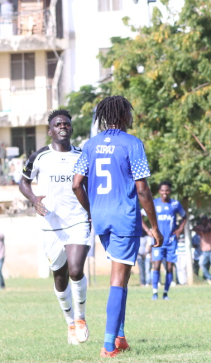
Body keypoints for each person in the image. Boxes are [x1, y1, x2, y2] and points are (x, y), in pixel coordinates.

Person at [72, 95, 163, 357]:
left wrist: (93, 211)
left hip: (102, 220)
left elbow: (76, 184)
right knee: (118, 277)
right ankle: (109, 345)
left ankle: (120, 336)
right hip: (124, 218)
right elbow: (143, 189)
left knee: (122, 275)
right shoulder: (132, 144)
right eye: (130, 113)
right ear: (122, 115)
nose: (132, 118)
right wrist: (154, 226)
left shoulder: (90, 144)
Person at [19, 109, 92, 345]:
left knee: (75, 269)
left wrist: (93, 211)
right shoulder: (38, 157)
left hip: (78, 219)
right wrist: (33, 199)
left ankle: (80, 319)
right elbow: (23, 182)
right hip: (50, 223)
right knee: (59, 276)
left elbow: (90, 184)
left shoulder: (82, 155)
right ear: (50, 131)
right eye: (58, 124)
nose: (63, 126)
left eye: (66, 124)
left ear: (71, 128)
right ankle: (70, 322)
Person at [141, 181, 186, 300]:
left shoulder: (175, 204)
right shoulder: (154, 203)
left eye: (167, 190)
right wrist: (147, 231)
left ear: (170, 191)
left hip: (171, 240)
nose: (165, 192)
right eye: (162, 190)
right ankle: (155, 292)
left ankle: (165, 293)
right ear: (159, 191)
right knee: (156, 265)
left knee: (170, 267)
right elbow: (140, 216)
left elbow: (184, 217)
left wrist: (179, 230)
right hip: (157, 240)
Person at [196, 217, 211, 284]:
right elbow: (195, 229)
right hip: (204, 250)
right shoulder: (200, 227)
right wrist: (201, 229)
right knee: (201, 264)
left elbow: (207, 230)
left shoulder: (210, 226)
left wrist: (202, 230)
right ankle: (209, 277)